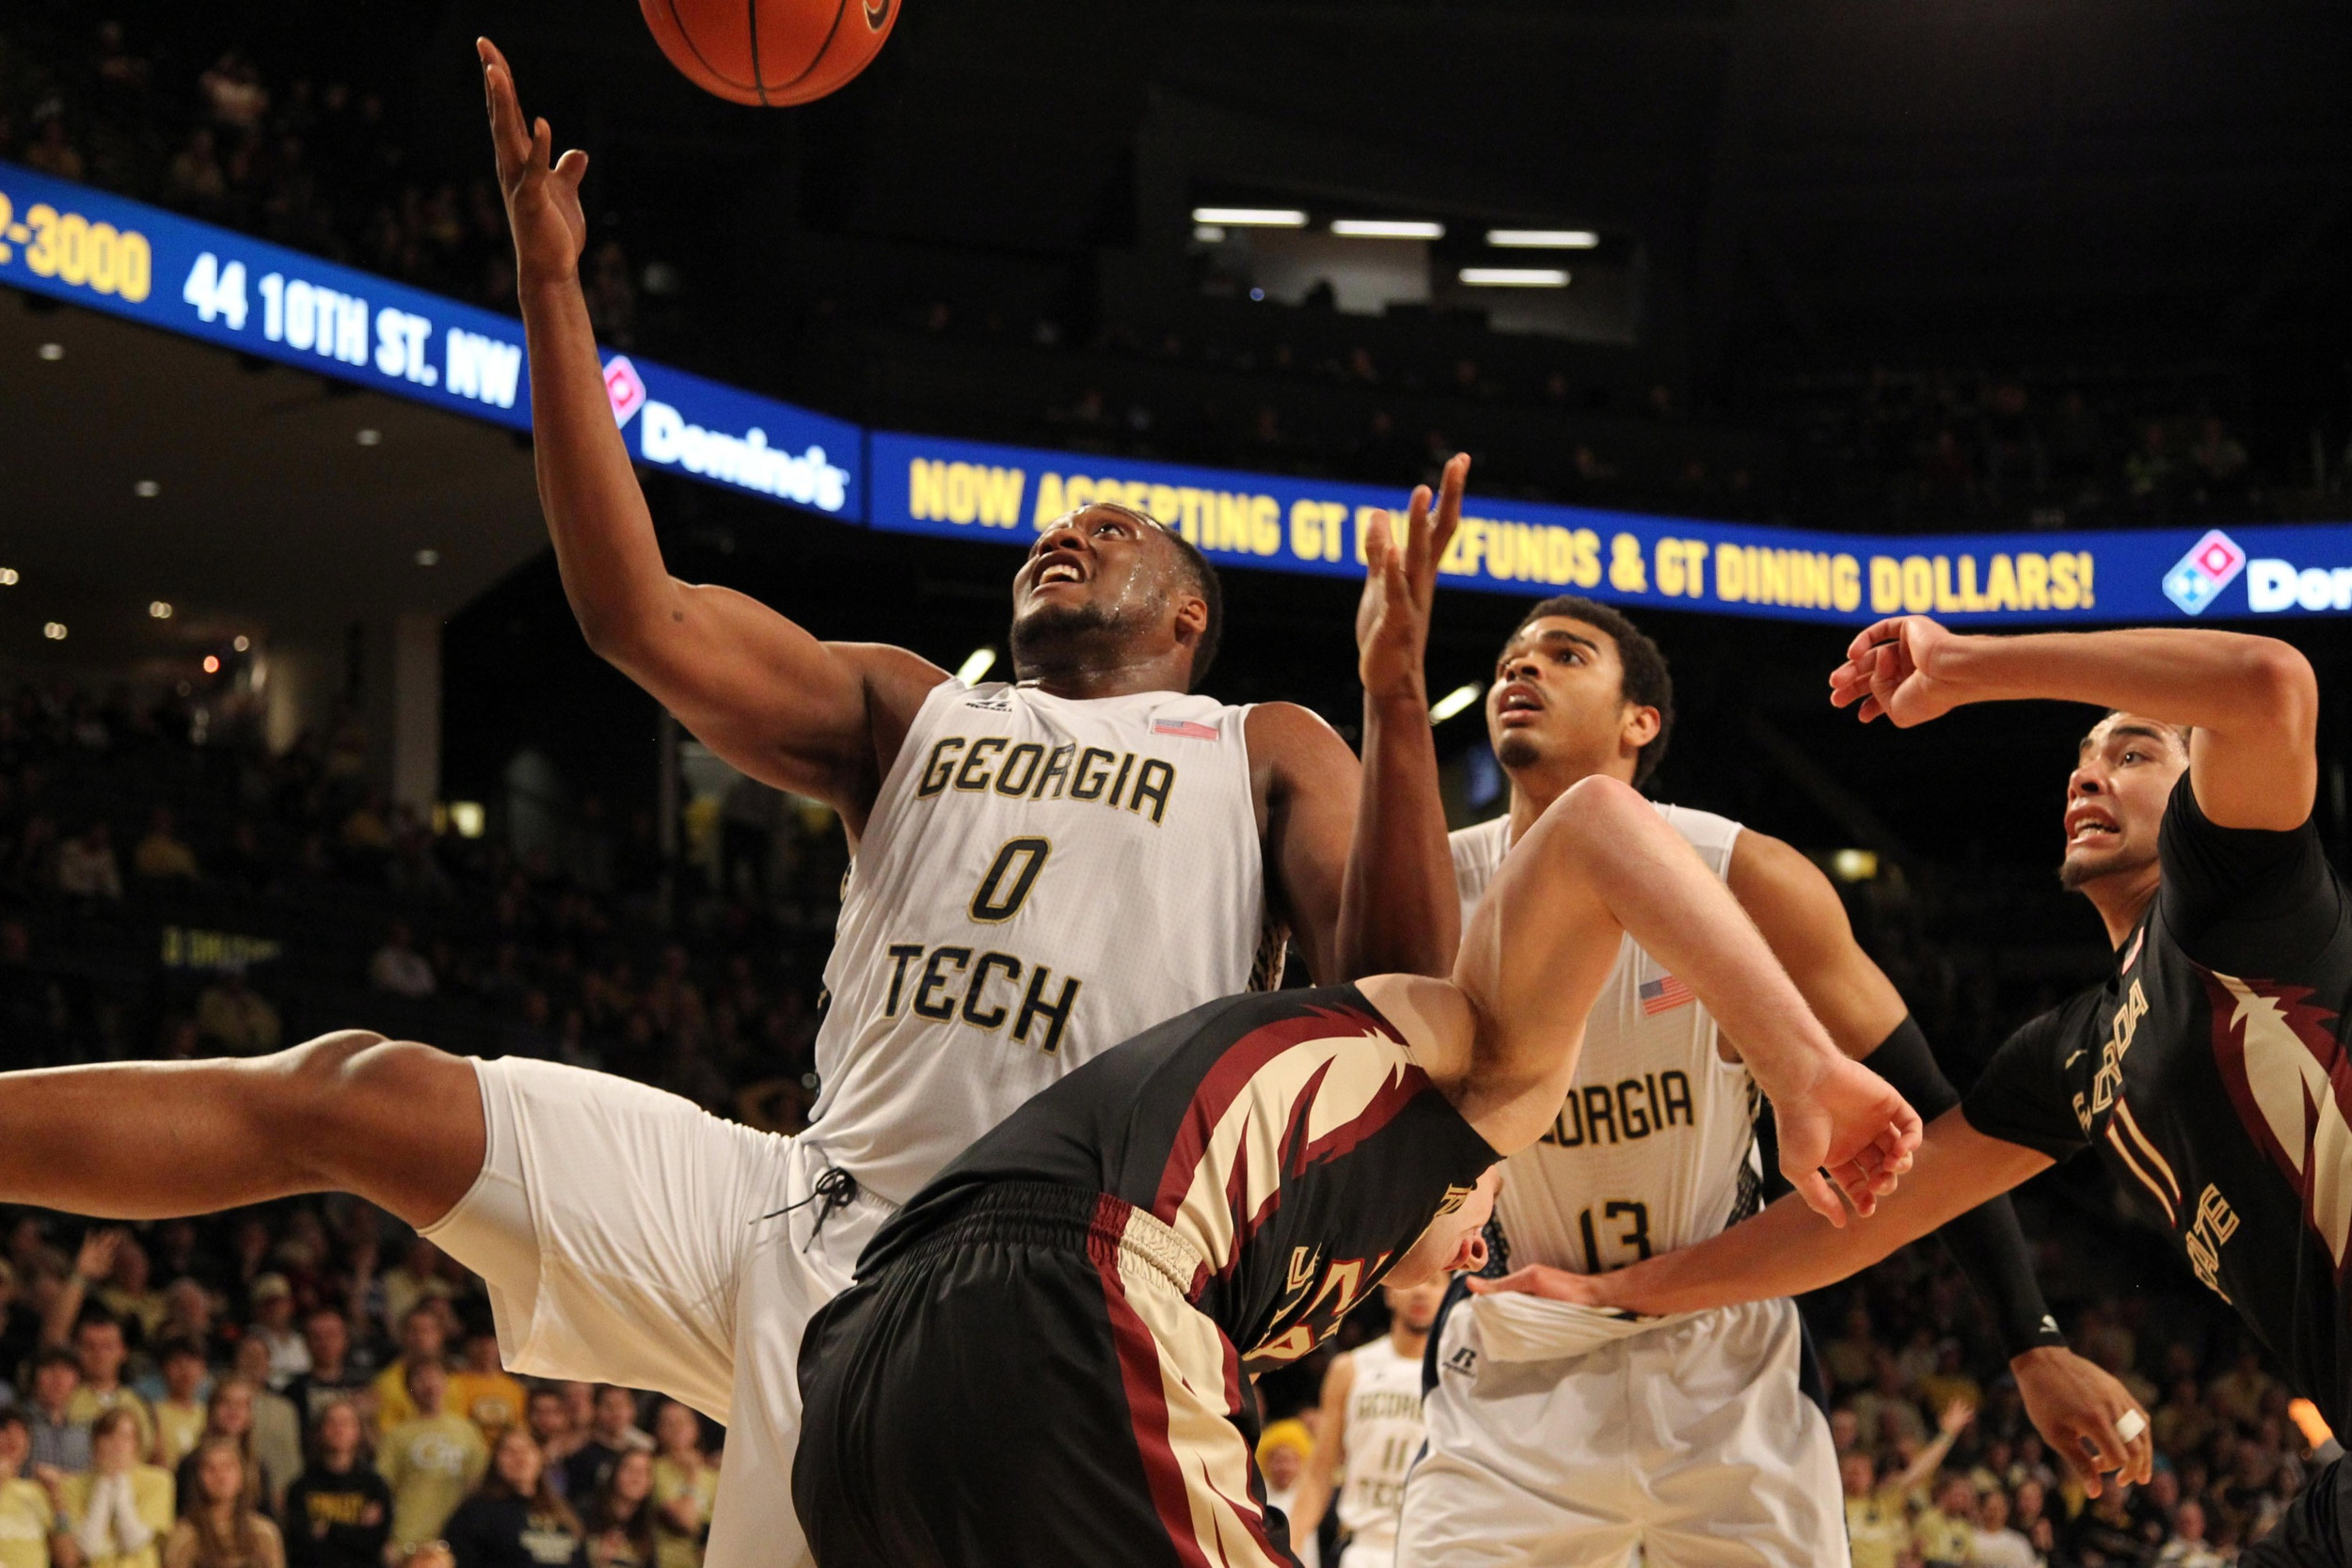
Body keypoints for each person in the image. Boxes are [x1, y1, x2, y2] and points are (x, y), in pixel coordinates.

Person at [792, 764, 1924, 1566]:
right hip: (1074, 1287)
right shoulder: (1471, 1074)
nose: (1480, 1244)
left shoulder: (1302, 1248)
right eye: (1493, 1212)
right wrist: (1797, 1068)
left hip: (866, 1353)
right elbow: (1591, 823)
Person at [1508, 619, 2348, 1539]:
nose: (2084, 773)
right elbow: (1866, 1220)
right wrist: (1612, 1290)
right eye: (2079, 758)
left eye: (2133, 750)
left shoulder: (2236, 900)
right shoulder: (2075, 1048)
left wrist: (1964, 665)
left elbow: (2269, 680)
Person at [1396, 596, 2143, 1568]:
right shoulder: (1432, 891)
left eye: (1564, 654)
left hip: (1721, 1349)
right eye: (1507, 657)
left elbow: (1924, 1114)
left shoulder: (1748, 874)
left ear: (1640, 721)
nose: (1517, 671)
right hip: (1521, 1329)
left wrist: (2029, 1334)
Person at [1290, 1279, 1443, 1568]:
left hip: (1430, 1549)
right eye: (1416, 1280)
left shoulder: (1455, 1375)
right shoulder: (1350, 1368)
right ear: (1388, 1291)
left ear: (1449, 1294)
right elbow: (1319, 1471)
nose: (1421, 1290)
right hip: (1363, 1547)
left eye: (1435, 1283)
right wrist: (1291, 1546)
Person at [376, 1363, 486, 1558]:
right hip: (408, 1538)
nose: (429, 1384)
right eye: (420, 1379)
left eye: (435, 1376)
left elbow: (480, 1484)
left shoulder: (468, 1431)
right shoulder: (397, 1435)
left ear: (446, 1383)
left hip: (457, 1539)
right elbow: (382, 1489)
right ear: (408, 1389)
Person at [440, 1430, 584, 1568]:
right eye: (510, 1451)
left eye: (527, 1449)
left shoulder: (563, 1512)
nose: (520, 1457)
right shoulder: (476, 1513)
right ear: (496, 1460)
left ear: (540, 1456)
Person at [57, 1410, 174, 1568]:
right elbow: (87, 1548)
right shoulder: (71, 1486)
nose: (117, 1445)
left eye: (125, 1437)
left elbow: (133, 1542)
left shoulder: (159, 1481)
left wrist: (119, 1482)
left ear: (137, 1445)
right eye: (108, 1437)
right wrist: (104, 1483)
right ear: (95, 1444)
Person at [280, 1402, 389, 1568]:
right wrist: (354, 1530)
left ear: (358, 1431)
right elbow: (301, 1546)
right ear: (319, 1431)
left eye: (346, 1422)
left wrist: (329, 1529)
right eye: (331, 1422)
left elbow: (374, 1543)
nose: (339, 1429)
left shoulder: (374, 1485)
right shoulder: (301, 1486)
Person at [164, 1437, 284, 1568]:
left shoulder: (263, 1533)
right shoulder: (185, 1537)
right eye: (210, 1469)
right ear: (198, 1478)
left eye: (228, 1467)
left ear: (242, 1474)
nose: (220, 1476)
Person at [0, 1404, 73, 1568]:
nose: (13, 1438)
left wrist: (57, 1499)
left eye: (20, 1433)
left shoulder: (39, 1492)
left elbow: (67, 1560)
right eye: (4, 1431)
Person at [644, 1405, 710, 1568]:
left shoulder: (714, 1474)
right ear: (658, 1431)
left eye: (683, 1422)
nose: (677, 1428)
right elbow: (685, 1522)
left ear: (696, 1428)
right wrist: (693, 1475)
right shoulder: (652, 1469)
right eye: (669, 1423)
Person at [442, 1320, 525, 1445]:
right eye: (479, 1343)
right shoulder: (453, 1384)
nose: (486, 1349)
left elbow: (519, 1429)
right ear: (468, 1346)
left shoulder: (514, 1388)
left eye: (491, 1343)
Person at [557, 1392, 645, 1506]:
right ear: (596, 1410)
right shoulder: (580, 1453)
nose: (616, 1412)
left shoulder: (639, 1454)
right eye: (609, 1406)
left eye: (621, 1405)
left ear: (632, 1410)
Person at [582, 1451, 655, 1568]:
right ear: (614, 1473)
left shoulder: (647, 1525)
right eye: (629, 1469)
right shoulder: (586, 1513)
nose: (636, 1477)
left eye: (644, 1472)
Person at [151, 1339, 210, 1472]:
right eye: (177, 1363)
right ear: (164, 1369)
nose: (185, 1371)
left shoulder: (209, 1414)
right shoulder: (152, 1413)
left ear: (203, 1368)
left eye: (192, 1363)